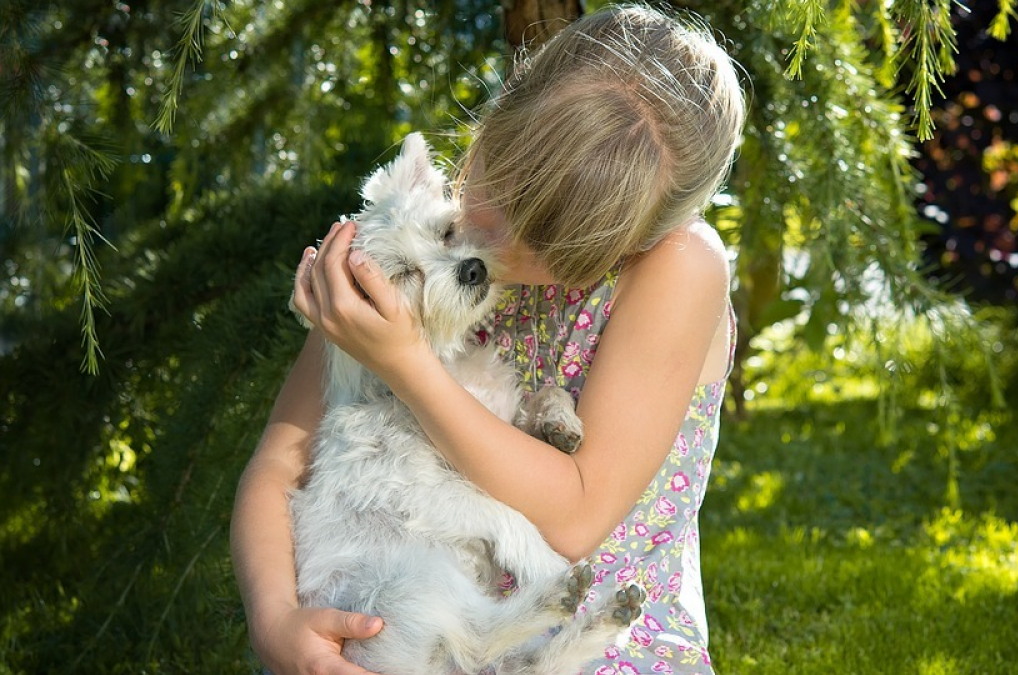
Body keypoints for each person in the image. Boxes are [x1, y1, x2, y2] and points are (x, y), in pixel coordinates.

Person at [230, 5, 746, 674]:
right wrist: (275, 619)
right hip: (404, 632)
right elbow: (280, 465)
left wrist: (406, 363)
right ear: (504, 110)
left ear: (636, 239)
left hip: (596, 649)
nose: (491, 246)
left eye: (548, 244)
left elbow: (577, 513)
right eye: (497, 188)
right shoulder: (418, 235)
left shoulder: (677, 267)